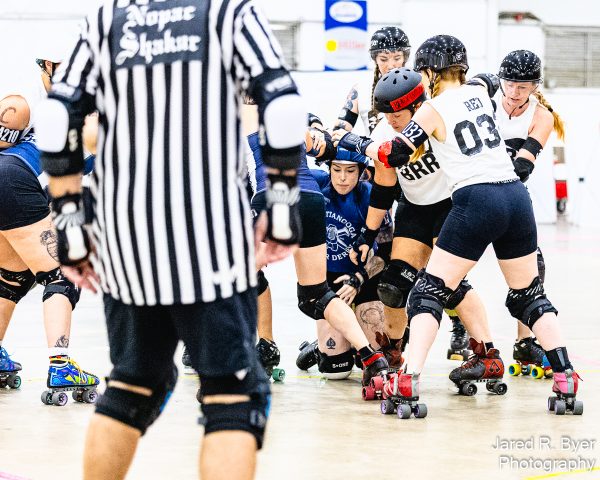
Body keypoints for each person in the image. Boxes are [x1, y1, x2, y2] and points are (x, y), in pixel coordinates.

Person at [35, 1, 307, 478]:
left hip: (126, 240)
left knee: (131, 385)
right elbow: (281, 102)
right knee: (233, 394)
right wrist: (281, 204)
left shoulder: (108, 19)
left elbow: (58, 114)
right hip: (211, 238)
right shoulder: (227, 13)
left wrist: (70, 220)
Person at [336, 35, 582, 416]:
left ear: (431, 72)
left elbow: (393, 154)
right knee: (529, 295)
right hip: (515, 197)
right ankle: (565, 377)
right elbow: (506, 93)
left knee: (427, 293)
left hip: (476, 199)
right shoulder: (480, 93)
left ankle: (407, 380)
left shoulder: (431, 109)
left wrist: (350, 140)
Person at [345, 67, 500, 376]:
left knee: (450, 284)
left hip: (451, 206)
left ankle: (487, 355)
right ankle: (393, 351)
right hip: (414, 209)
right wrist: (367, 235)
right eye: (386, 114)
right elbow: (384, 189)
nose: (391, 120)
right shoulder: (384, 133)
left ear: (417, 106)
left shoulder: (439, 118)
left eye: (397, 114)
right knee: (392, 285)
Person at [246, 108, 390, 385]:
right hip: (309, 199)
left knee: (231, 275)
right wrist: (319, 128)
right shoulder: (287, 117)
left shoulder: (234, 111)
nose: (343, 177)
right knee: (315, 296)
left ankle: (247, 353)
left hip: (273, 195)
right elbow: (324, 145)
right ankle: (371, 358)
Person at [0, 90, 98, 403]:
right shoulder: (97, 121)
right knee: (62, 274)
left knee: (11, 278)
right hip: (16, 181)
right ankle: (61, 365)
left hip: (9, 176)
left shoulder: (48, 112)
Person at [495, 50, 565, 377]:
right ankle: (461, 329)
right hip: (468, 192)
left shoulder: (542, 115)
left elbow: (523, 166)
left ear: (535, 86)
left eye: (523, 86)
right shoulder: (485, 100)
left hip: (511, 192)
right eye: (509, 84)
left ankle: (525, 342)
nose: (514, 91)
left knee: (533, 267)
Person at [296, 148, 395, 377]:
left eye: (350, 171)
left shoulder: (371, 196)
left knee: (375, 355)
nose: (342, 178)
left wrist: (358, 278)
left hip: (365, 276)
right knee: (335, 370)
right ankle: (321, 348)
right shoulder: (316, 183)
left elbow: (387, 250)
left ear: (361, 172)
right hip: (329, 278)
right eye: (336, 169)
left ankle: (356, 338)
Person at [335, 26, 411, 135]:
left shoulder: (419, 85)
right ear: (375, 59)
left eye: (397, 58)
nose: (391, 66)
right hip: (371, 146)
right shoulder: (361, 89)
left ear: (405, 58)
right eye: (383, 59)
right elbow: (339, 131)